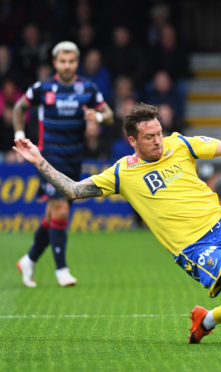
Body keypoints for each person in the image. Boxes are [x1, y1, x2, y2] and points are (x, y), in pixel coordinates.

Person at [12, 101, 221, 343]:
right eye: (149, 137)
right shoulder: (122, 173)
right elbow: (72, 190)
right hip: (194, 247)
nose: (158, 141)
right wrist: (39, 161)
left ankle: (205, 321)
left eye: (159, 133)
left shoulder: (181, 144)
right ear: (133, 141)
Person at [13, 41, 114, 288]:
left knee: (52, 216)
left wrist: (98, 117)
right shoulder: (43, 88)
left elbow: (110, 116)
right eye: (62, 61)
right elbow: (19, 107)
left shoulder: (87, 88)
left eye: (71, 61)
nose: (67, 65)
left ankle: (29, 260)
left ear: (76, 63)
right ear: (55, 63)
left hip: (73, 159)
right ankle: (62, 271)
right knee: (60, 210)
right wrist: (18, 134)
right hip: (48, 158)